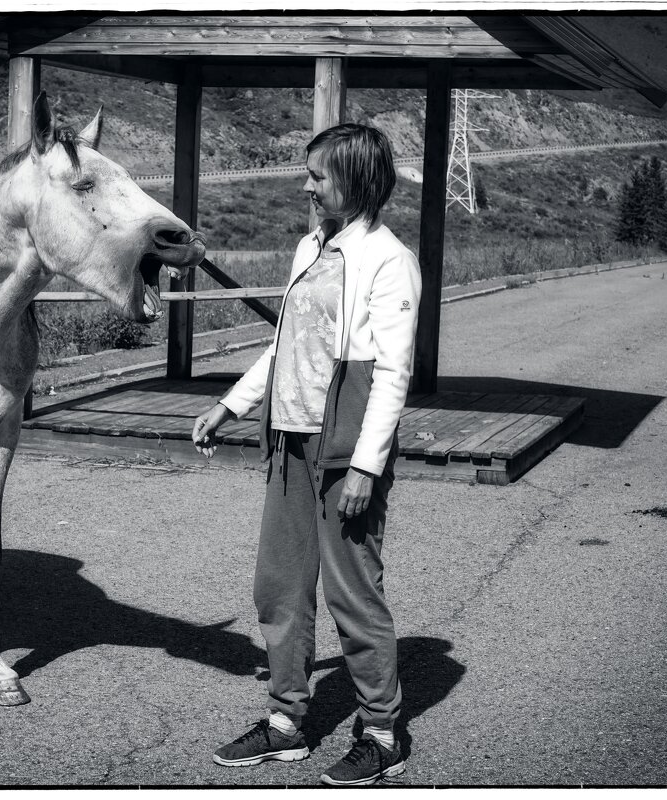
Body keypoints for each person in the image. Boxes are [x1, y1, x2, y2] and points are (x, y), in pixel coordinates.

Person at [192, 122, 421, 786]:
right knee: (280, 586)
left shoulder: (388, 259)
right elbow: (285, 345)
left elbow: (393, 372)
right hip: (290, 439)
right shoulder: (310, 247)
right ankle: (286, 722)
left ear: (355, 179)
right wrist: (231, 405)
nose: (306, 186)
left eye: (317, 175)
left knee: (354, 592)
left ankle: (382, 731)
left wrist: (366, 465)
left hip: (345, 447)